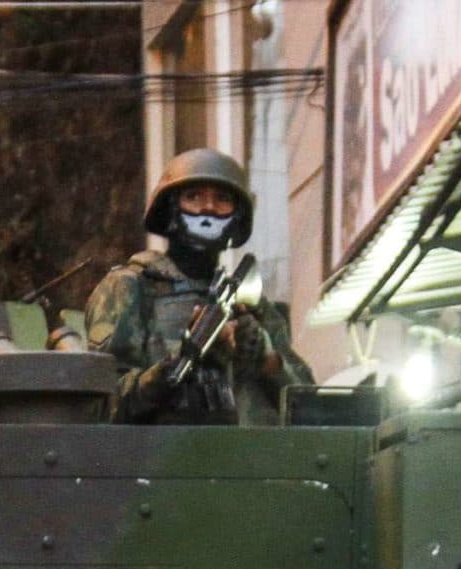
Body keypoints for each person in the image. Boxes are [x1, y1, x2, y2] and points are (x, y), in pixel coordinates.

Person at [86, 149, 314, 425]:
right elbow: (99, 405)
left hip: (251, 463)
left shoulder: (251, 305)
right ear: (170, 209)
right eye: (193, 197)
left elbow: (311, 407)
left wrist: (264, 357)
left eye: (222, 199)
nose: (208, 208)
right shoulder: (129, 288)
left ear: (237, 218)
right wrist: (176, 367)